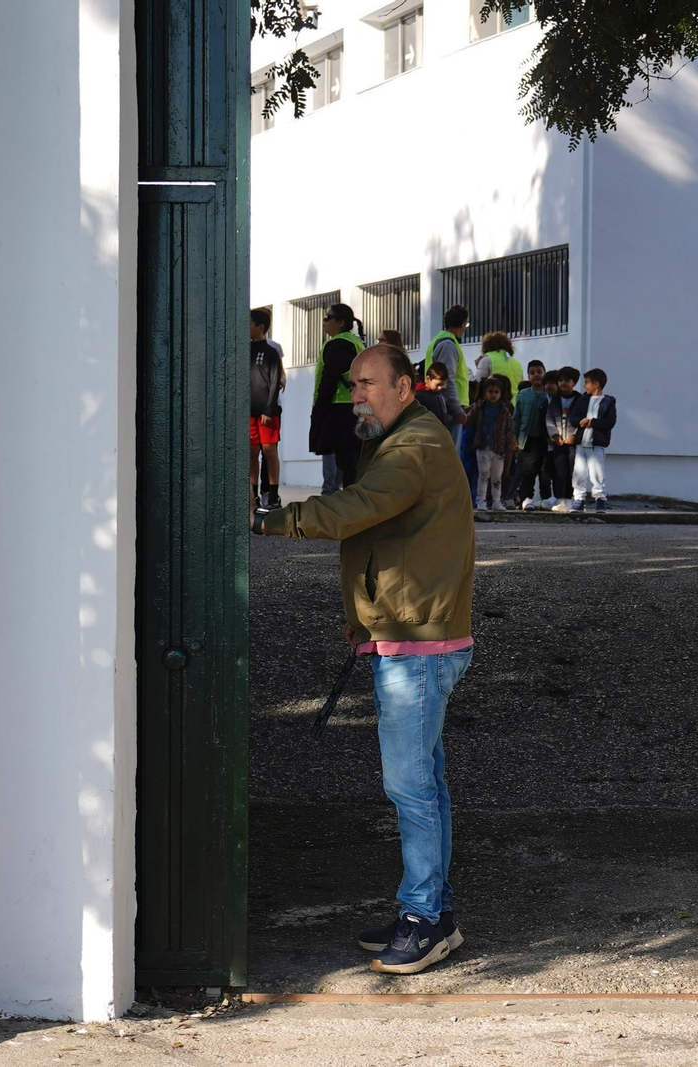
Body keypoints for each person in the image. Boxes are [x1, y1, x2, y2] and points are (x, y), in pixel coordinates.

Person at [252, 343, 476, 976]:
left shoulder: (414, 446)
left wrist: (275, 520)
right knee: (423, 784)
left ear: (405, 386)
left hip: (419, 646)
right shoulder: (402, 438)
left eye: (369, 384)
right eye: (352, 385)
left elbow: (359, 509)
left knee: (411, 787)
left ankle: (425, 918)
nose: (357, 395)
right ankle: (430, 911)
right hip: (407, 636)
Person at [310, 303, 366, 489]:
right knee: (353, 464)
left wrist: (319, 410)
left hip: (340, 409)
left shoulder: (338, 344)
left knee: (346, 464)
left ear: (340, 322)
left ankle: (351, 508)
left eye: (328, 317)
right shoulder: (356, 341)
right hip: (356, 408)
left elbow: (329, 380)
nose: (324, 321)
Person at [249, 308, 287, 512]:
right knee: (252, 452)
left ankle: (273, 495)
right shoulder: (243, 350)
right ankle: (252, 495)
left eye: (249, 323)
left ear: (260, 327)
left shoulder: (272, 351)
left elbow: (275, 382)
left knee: (269, 450)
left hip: (268, 412)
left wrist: (269, 409)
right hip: (249, 412)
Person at [424, 305, 471, 462]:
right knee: (449, 459)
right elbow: (448, 379)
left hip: (440, 405)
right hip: (449, 408)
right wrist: (457, 409)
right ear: (463, 324)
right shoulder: (449, 345)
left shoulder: (437, 341)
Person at [570, 367, 617, 513]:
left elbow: (609, 423)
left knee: (597, 473)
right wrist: (580, 422)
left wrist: (592, 422)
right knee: (578, 473)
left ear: (596, 384)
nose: (585, 386)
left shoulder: (608, 402)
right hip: (581, 443)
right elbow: (573, 417)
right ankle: (579, 499)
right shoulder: (582, 400)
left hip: (596, 444)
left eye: (587, 383)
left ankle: (600, 499)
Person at [467, 377, 516, 511]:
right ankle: (481, 500)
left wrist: (511, 444)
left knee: (497, 476)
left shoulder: (504, 410)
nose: (493, 395)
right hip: (482, 447)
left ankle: (496, 501)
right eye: (490, 392)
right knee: (483, 474)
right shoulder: (479, 408)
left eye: (496, 392)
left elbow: (509, 429)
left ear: (500, 393)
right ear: (484, 392)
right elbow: (468, 420)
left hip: (499, 449)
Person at [513, 361, 552, 509]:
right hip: (528, 439)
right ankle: (527, 498)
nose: (536, 375)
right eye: (532, 372)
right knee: (528, 470)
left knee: (545, 471)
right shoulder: (523, 395)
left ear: (544, 373)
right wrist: (514, 438)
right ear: (528, 376)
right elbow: (516, 418)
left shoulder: (549, 395)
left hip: (546, 439)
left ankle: (546, 499)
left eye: (539, 372)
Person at [545, 366, 582, 512]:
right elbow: (549, 418)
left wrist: (575, 436)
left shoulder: (580, 399)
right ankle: (561, 500)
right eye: (560, 380)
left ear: (574, 382)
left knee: (573, 471)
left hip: (573, 443)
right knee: (559, 472)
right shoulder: (554, 400)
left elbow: (582, 420)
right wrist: (554, 435)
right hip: (558, 442)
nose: (563, 383)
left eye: (567, 380)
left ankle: (574, 499)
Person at [416, 363, 465, 444]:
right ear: (428, 378)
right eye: (438, 384)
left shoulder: (440, 395)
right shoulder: (419, 396)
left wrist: (454, 419)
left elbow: (443, 416)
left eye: (443, 385)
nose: (440, 388)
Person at [474, 332, 524, 403]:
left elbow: (477, 381)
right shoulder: (516, 363)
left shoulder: (487, 359)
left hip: (496, 404)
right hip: (514, 404)